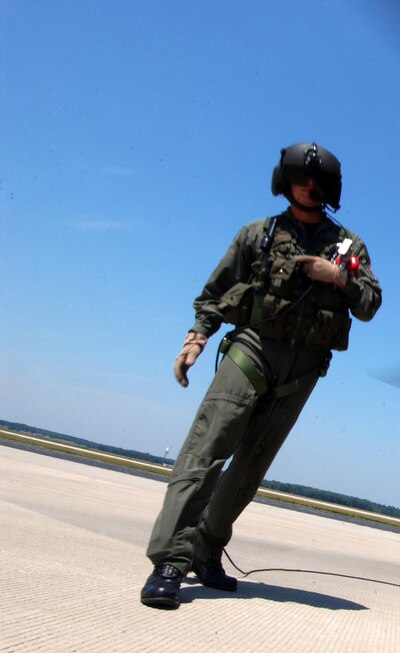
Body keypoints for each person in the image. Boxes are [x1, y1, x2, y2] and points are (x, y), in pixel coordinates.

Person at [140, 142, 382, 609]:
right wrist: (196, 338)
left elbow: (370, 304)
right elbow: (215, 292)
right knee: (205, 451)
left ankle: (207, 549)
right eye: (299, 180)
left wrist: (338, 278)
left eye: (316, 183)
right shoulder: (259, 235)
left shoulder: (348, 246)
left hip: (304, 369)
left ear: (329, 190)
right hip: (252, 351)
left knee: (251, 468)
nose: (307, 188)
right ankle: (170, 561)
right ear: (284, 181)